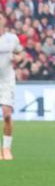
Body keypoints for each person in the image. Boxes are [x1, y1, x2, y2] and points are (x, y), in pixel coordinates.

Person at [0, 13, 24, 161]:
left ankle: (6, 148)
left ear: (4, 21)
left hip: (6, 81)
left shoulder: (11, 38)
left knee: (7, 114)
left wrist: (18, 58)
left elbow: (21, 53)